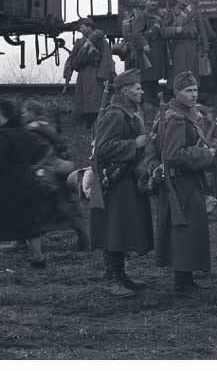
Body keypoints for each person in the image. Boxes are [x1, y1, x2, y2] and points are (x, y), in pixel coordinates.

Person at [91, 69, 155, 298]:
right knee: (114, 230)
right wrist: (134, 144)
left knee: (124, 228)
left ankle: (120, 275)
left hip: (127, 180)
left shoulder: (128, 110)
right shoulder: (115, 114)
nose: (142, 91)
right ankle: (110, 278)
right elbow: (103, 149)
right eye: (137, 88)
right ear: (125, 91)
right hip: (116, 182)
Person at [0, 97, 61, 270]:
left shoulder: (4, 134)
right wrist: (30, 165)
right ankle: (38, 258)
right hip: (25, 179)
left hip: (3, 182)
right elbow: (41, 149)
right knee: (30, 218)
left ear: (1, 114)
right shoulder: (24, 132)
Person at [155, 71, 215, 296]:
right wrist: (206, 154)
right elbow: (172, 155)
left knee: (189, 232)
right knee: (183, 232)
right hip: (181, 184)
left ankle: (186, 278)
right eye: (188, 91)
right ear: (177, 93)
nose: (193, 94)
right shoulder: (177, 119)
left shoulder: (186, 114)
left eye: (195, 90)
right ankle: (182, 282)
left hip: (188, 181)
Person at [21, 100, 88, 251]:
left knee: (31, 207)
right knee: (66, 206)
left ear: (32, 113)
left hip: (44, 173)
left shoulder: (30, 130)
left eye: (25, 112)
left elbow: (33, 154)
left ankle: (22, 240)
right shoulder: (47, 126)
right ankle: (84, 237)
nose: (23, 115)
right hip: (57, 170)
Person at [63, 18, 114, 128]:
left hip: (95, 73)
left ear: (89, 27)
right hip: (82, 74)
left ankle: (96, 122)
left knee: (95, 100)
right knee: (82, 99)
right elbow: (72, 57)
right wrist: (68, 70)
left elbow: (106, 57)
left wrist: (102, 75)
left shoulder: (100, 41)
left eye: (82, 27)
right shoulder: (79, 42)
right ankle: (85, 122)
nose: (80, 29)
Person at [161, 0, 210, 88]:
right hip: (179, 46)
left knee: (192, 72)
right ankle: (179, 95)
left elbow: (202, 30)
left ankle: (191, 96)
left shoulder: (194, 11)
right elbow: (163, 32)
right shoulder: (172, 12)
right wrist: (176, 30)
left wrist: (205, 48)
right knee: (180, 72)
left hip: (192, 45)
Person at [136, 0, 168, 104]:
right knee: (146, 77)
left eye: (155, 1)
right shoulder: (142, 15)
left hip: (158, 49)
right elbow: (137, 33)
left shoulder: (160, 16)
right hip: (148, 49)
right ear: (146, 2)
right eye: (151, 1)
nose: (153, 3)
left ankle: (154, 100)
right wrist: (144, 44)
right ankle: (146, 101)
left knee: (155, 76)